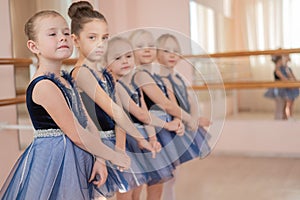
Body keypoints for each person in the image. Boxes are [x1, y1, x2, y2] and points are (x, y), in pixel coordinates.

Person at [0, 10, 130, 200]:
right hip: (55, 160)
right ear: (33, 46)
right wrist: (113, 155)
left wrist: (101, 159)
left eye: (66, 33)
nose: (62, 38)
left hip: (79, 155)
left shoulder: (67, 80)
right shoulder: (44, 85)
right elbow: (77, 133)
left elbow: (88, 123)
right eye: (53, 34)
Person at [67, 1, 156, 198]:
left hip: (113, 142)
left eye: (105, 38)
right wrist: (137, 140)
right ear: (75, 40)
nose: (100, 44)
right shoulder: (81, 73)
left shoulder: (104, 73)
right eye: (92, 37)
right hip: (93, 148)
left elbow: (120, 113)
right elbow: (113, 110)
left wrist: (121, 147)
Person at [105, 36, 185, 200]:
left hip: (141, 137)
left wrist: (153, 138)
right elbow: (136, 115)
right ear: (107, 63)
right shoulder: (116, 87)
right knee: (128, 188)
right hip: (126, 139)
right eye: (118, 58)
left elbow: (145, 115)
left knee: (140, 184)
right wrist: (167, 125)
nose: (125, 61)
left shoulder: (135, 85)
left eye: (128, 56)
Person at [129, 29, 201, 200]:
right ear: (131, 50)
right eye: (140, 46)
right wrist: (188, 118)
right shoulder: (139, 75)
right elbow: (165, 104)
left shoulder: (157, 76)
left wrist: (178, 120)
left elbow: (172, 101)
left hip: (161, 131)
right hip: (144, 132)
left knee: (158, 180)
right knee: (138, 184)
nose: (147, 49)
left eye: (150, 46)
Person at [264, 53, 299, 120]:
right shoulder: (278, 70)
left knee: (285, 105)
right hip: (280, 90)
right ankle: (282, 120)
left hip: (286, 89)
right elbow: (284, 79)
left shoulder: (286, 69)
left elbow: (291, 77)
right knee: (281, 107)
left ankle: (286, 118)